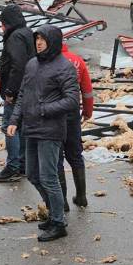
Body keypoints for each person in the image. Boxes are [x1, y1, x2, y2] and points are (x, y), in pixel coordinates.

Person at [8, 25, 79, 242]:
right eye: (37, 39)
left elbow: (72, 100)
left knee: (49, 177)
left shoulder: (64, 67)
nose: (38, 43)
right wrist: (14, 120)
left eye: (43, 39)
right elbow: (22, 95)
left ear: (53, 42)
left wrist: (43, 110)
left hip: (50, 130)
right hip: (30, 128)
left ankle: (58, 222)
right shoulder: (32, 64)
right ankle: (53, 213)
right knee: (32, 174)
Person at [0, 4, 35, 183]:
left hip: (17, 92)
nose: (2, 27)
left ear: (8, 23)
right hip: (28, 89)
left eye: (2, 23)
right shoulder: (27, 33)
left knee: (10, 127)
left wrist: (10, 90)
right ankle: (24, 164)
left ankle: (13, 166)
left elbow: (18, 65)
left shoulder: (15, 37)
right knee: (22, 127)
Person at [57, 42, 94, 211]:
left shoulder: (48, 61)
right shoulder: (77, 61)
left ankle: (62, 201)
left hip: (53, 115)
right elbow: (86, 90)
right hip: (72, 114)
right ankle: (82, 196)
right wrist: (87, 111)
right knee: (75, 154)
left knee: (56, 157)